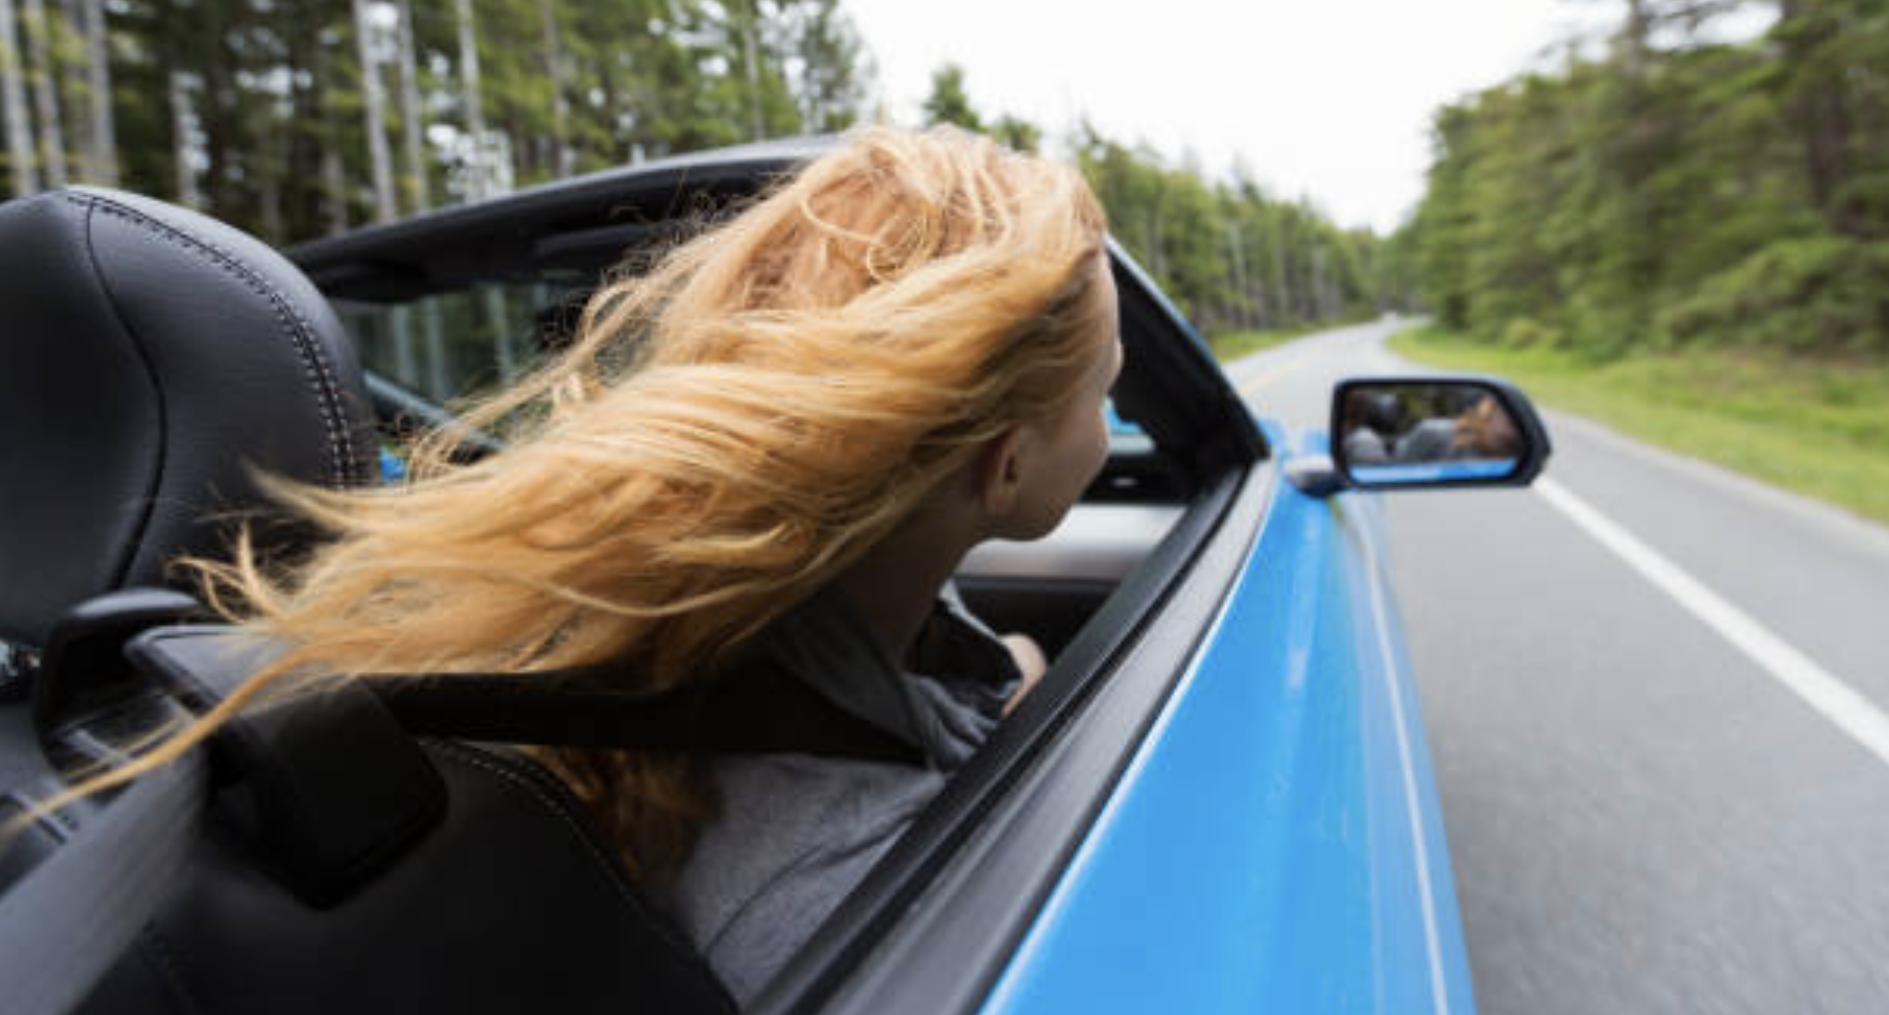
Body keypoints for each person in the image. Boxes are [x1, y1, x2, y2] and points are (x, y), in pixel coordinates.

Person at [40, 126, 1119, 1005]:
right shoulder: (834, 877)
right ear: (1005, 467)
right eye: (1104, 390)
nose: (1108, 421)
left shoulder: (778, 602)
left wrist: (1013, 690)